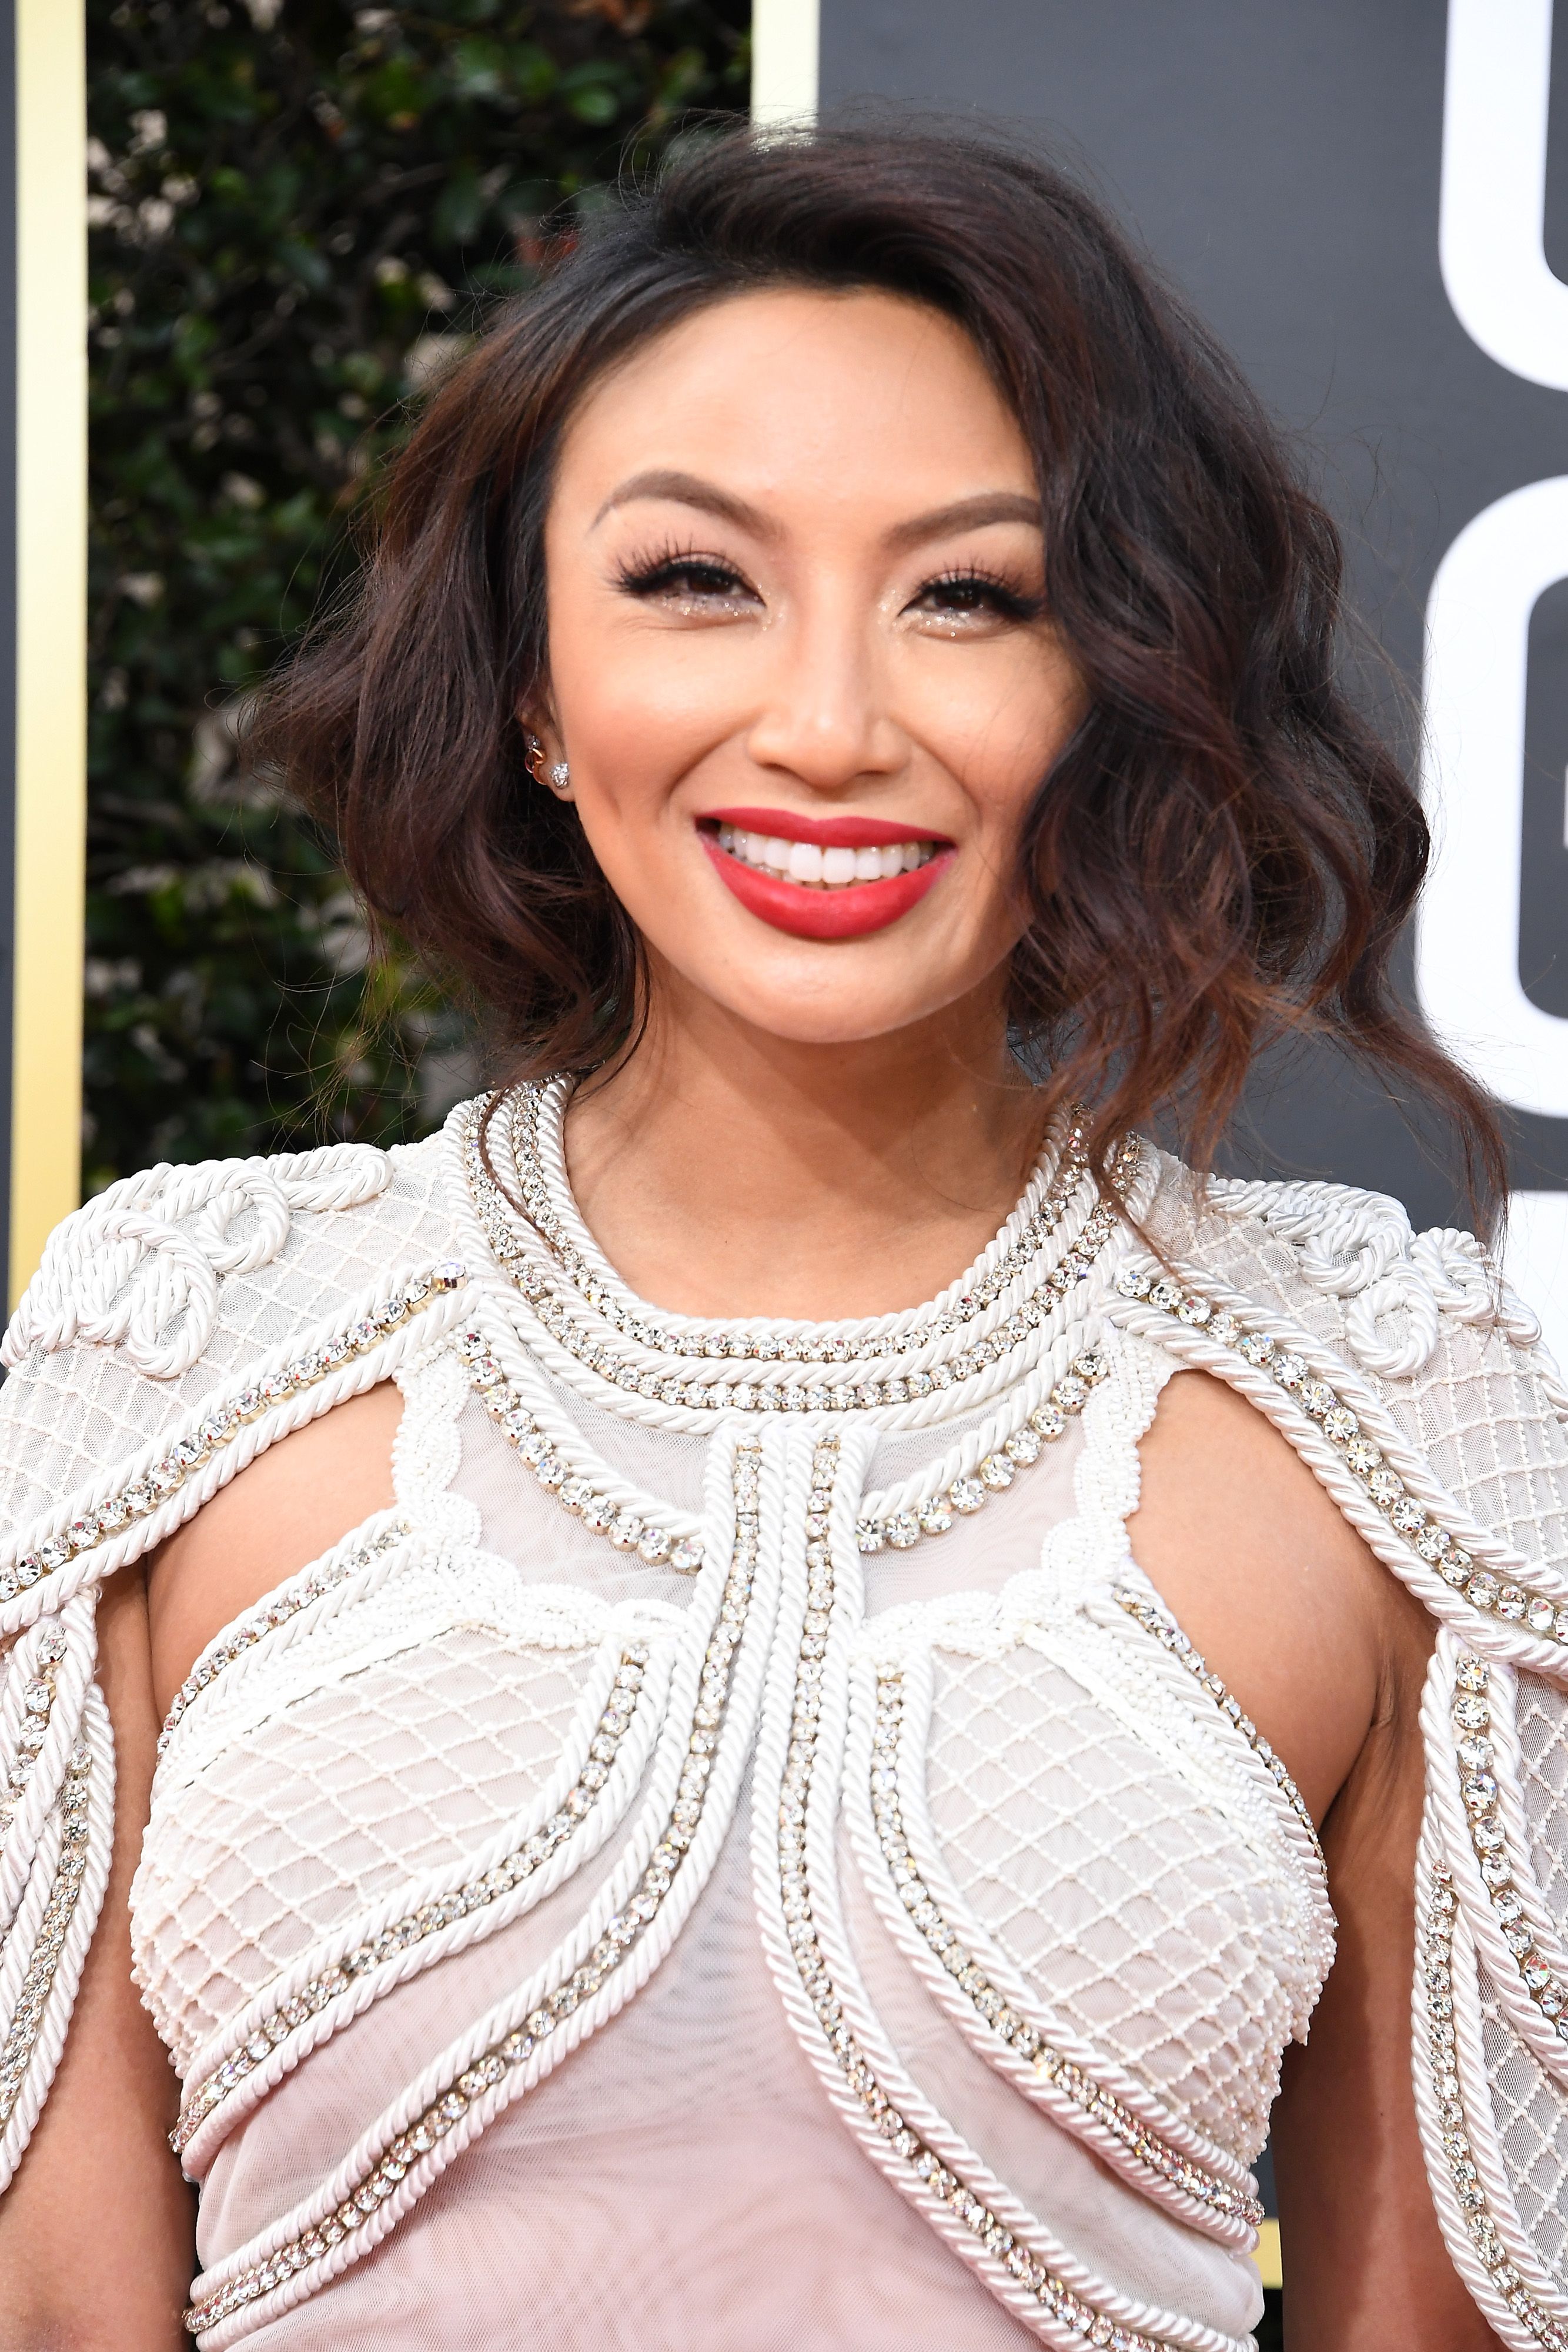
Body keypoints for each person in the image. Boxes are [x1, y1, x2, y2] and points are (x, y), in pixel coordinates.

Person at [0, 121, 1554, 2352]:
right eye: (694, 580)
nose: (828, 729)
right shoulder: (180, 1353)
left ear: (1118, 686)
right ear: (532, 687)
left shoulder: (1381, 1408)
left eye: (970, 596)